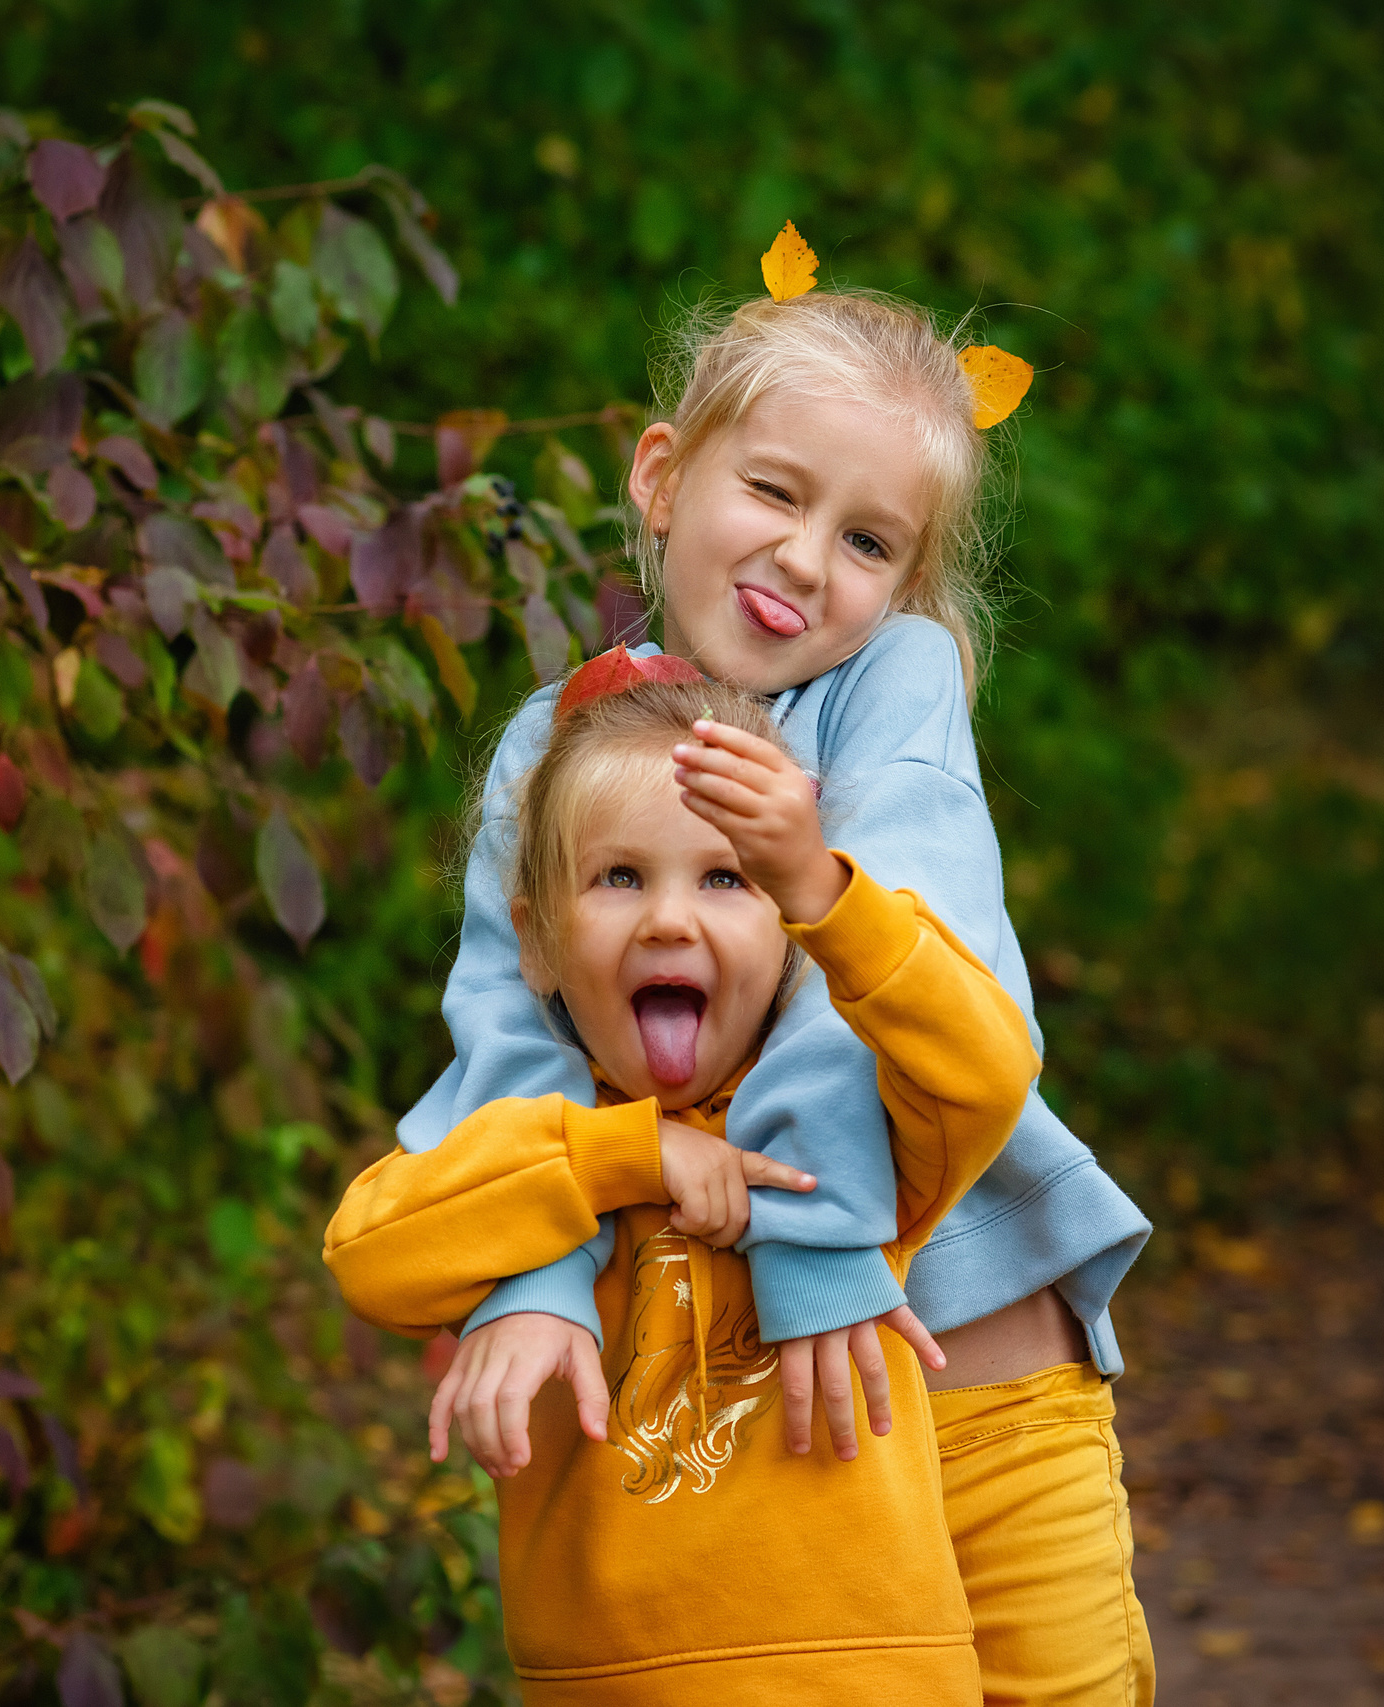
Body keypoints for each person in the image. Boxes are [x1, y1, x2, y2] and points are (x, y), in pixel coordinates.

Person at [401, 244, 1158, 1704]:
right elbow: (515, 1031)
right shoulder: (551, 743)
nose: (811, 559)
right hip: (776, 1424)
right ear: (664, 473)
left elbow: (894, 962)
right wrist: (536, 1273)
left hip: (977, 1377)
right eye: (777, 492)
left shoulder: (892, 684)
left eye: (871, 541)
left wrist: (816, 1244)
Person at [327, 671, 1033, 1702]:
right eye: (619, 876)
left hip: (869, 1677)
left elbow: (987, 1068)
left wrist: (827, 898)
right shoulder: (530, 1155)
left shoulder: (849, 1137)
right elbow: (370, 1254)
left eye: (724, 879)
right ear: (534, 938)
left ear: (784, 924)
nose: (667, 920)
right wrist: (631, 1157)